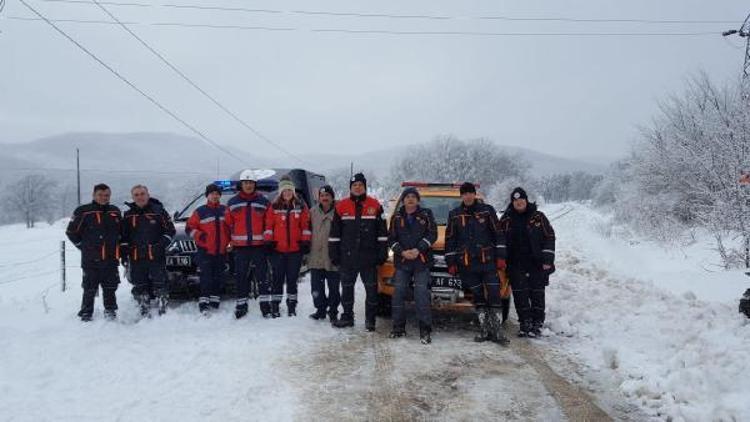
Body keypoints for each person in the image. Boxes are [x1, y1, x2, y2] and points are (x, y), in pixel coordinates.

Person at [445, 182, 509, 345]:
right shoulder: (454, 214)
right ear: (461, 196)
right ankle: (485, 329)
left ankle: (498, 330)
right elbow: (450, 240)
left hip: (487, 261)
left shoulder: (487, 211)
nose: (468, 196)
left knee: (494, 294)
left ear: (475, 194)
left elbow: (499, 234)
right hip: (467, 265)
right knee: (478, 297)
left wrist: (501, 256)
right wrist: (451, 262)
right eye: (465, 193)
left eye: (470, 193)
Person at [328, 173, 388, 331]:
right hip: (347, 257)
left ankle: (370, 320)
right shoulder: (341, 206)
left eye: (360, 185)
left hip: (369, 257)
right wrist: (334, 254)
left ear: (365, 187)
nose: (357, 187)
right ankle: (347, 317)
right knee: (347, 290)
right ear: (350, 187)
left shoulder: (375, 205)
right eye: (354, 185)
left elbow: (382, 234)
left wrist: (382, 253)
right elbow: (334, 234)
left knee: (372, 291)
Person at [497, 187, 556, 338]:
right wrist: (501, 257)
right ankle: (525, 323)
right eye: (515, 201)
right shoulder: (506, 219)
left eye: (521, 200)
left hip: (537, 263)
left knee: (537, 294)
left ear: (526, 200)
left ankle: (537, 324)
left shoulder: (538, 217)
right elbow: (499, 238)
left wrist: (548, 259)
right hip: (515, 264)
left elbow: (549, 237)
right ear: (512, 202)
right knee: (520, 295)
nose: (519, 203)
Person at [387, 187, 437, 344]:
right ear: (403, 200)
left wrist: (418, 249)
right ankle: (398, 328)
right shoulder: (396, 217)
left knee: (421, 294)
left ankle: (425, 330)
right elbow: (391, 239)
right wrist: (402, 252)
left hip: (421, 261)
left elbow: (432, 234)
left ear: (418, 200)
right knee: (398, 294)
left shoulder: (426, 215)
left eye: (413, 197)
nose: (410, 199)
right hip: (402, 262)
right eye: (407, 196)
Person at [66, 183, 122, 321]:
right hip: (91, 259)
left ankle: (110, 311)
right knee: (89, 287)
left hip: (111, 258)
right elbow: (71, 232)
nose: (104, 197)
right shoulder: (83, 211)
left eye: (107, 195)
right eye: (100, 195)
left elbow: (121, 232)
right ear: (94, 195)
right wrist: (83, 247)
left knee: (110, 287)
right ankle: (86, 313)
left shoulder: (115, 211)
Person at [120, 185, 176, 317]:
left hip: (155, 254)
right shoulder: (128, 215)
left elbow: (170, 230)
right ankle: (143, 303)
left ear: (148, 195)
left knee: (160, 281)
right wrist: (124, 252)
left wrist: (161, 245)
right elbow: (123, 236)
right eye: (136, 195)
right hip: (136, 255)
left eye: (142, 194)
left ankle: (162, 302)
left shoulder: (159, 211)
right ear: (133, 197)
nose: (140, 197)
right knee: (139, 282)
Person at [225, 169, 272, 319]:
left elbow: (269, 222)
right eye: (245, 183)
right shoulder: (232, 203)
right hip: (240, 248)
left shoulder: (264, 201)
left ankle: (265, 306)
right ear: (241, 184)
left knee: (262, 277)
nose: (248, 185)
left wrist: (268, 239)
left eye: (251, 183)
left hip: (259, 246)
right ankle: (241, 306)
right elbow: (227, 225)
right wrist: (229, 242)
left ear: (255, 184)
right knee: (241, 278)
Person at [264, 177, 311, 317]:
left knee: (292, 280)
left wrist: (306, 241)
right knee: (277, 279)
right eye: (285, 190)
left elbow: (306, 226)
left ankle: (292, 306)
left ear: (293, 191)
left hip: (295, 251)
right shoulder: (273, 206)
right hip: (277, 250)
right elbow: (268, 226)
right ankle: (275, 306)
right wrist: (269, 241)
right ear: (281, 192)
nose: (287, 192)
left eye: (290, 190)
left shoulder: (301, 206)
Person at [186, 184, 230, 314]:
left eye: (217, 194)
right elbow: (189, 228)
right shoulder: (200, 211)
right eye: (212, 194)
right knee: (206, 277)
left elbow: (231, 228)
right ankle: (204, 301)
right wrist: (201, 236)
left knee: (218, 276)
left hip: (221, 250)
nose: (215, 196)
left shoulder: (226, 210)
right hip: (205, 251)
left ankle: (215, 299)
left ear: (220, 196)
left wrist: (230, 241)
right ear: (207, 196)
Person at [308, 185, 341, 324]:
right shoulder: (312, 212)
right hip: (315, 255)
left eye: (327, 195)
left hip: (332, 256)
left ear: (332, 197)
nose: (325, 198)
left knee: (334, 287)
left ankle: (333, 311)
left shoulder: (339, 212)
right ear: (319, 198)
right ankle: (320, 309)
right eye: (322, 196)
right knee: (316, 287)